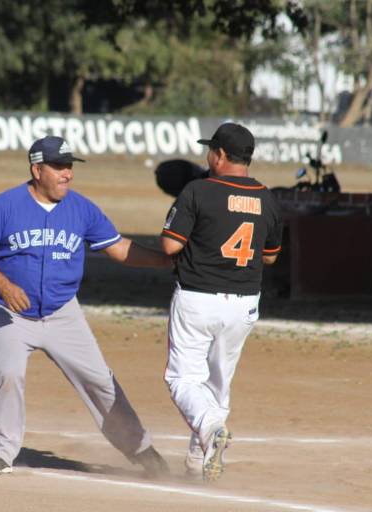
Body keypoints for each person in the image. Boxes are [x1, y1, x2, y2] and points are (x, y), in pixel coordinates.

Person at [0, 135, 171, 478]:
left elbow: (118, 248)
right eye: (59, 166)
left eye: (69, 166)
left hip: (62, 312)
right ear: (37, 170)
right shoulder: (5, 206)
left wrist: (167, 261)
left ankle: (142, 451)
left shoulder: (81, 208)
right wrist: (3, 285)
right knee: (8, 375)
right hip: (9, 312)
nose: (67, 174)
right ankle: (0, 453)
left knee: (99, 381)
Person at [159, 123, 282, 482]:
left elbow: (170, 245)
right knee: (218, 383)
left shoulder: (198, 190)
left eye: (210, 150)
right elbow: (271, 256)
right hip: (244, 303)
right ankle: (198, 462)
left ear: (221, 155)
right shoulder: (267, 198)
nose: (207, 156)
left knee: (183, 379)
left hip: (198, 297)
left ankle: (210, 427)